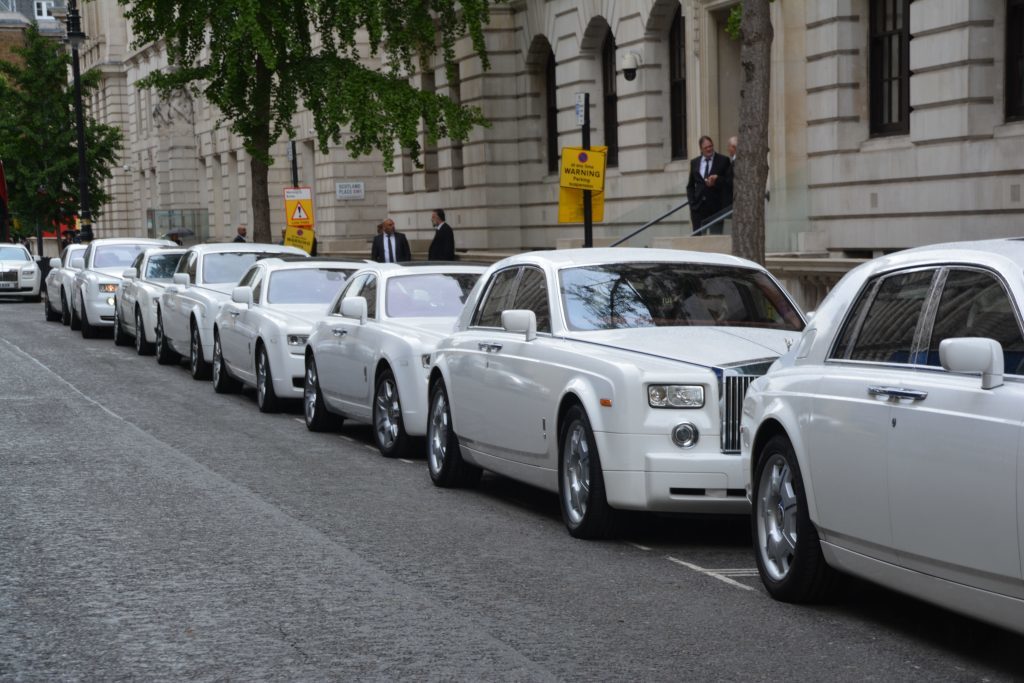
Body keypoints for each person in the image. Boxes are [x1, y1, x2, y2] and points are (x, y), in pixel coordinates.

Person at [686, 136, 731, 235]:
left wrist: (717, 180)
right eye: (706, 148)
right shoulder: (694, 162)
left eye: (710, 146)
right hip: (698, 209)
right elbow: (690, 186)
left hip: (716, 208)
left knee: (715, 239)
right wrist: (692, 203)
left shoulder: (723, 160)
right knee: (697, 239)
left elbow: (729, 182)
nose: (709, 149)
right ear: (701, 149)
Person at [722, 136, 738, 209]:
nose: (728, 149)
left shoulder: (738, 161)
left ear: (733, 147)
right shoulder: (733, 161)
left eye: (729, 147)